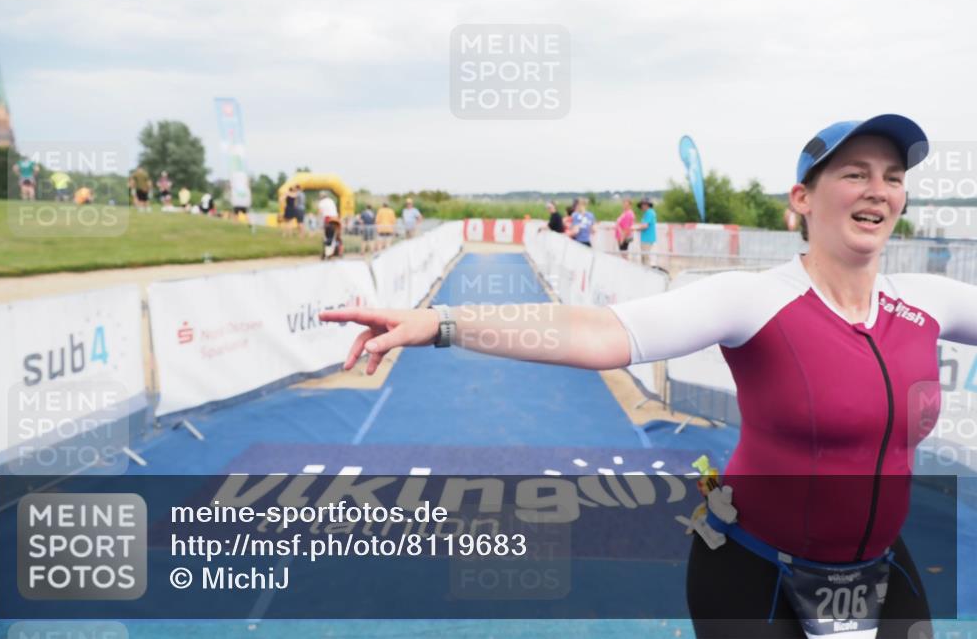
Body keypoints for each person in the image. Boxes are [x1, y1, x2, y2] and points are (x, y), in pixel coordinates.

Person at [320, 114, 977, 639]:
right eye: (855, 173)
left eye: (892, 177)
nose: (878, 189)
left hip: (881, 570)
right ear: (801, 199)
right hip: (755, 571)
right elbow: (603, 334)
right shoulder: (752, 299)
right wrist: (442, 321)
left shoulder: (927, 300)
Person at [636, 197, 658, 266]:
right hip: (647, 239)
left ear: (646, 205)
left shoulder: (649, 212)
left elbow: (645, 226)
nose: (641, 207)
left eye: (642, 205)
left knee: (646, 259)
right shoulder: (650, 212)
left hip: (647, 239)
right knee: (645, 258)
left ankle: (647, 274)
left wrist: (635, 228)